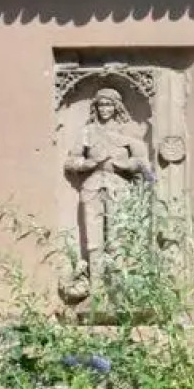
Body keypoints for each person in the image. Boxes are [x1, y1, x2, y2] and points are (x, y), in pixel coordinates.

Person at [64, 87, 152, 286]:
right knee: (94, 240)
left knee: (117, 237)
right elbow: (70, 162)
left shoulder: (127, 132)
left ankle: (119, 286)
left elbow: (143, 164)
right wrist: (87, 164)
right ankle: (97, 288)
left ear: (116, 107)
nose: (104, 109)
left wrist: (125, 165)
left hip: (118, 186)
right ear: (95, 107)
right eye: (101, 104)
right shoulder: (87, 132)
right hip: (92, 187)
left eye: (108, 104)